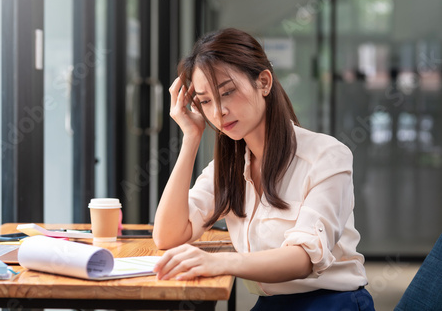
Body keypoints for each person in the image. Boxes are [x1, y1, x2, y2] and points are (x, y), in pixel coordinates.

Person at [152, 28, 375, 310]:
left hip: (332, 302)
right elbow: (168, 235)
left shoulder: (327, 156)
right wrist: (191, 138)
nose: (218, 112)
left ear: (264, 82)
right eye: (206, 101)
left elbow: (303, 259)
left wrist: (220, 262)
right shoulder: (229, 167)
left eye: (228, 92)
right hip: (270, 303)